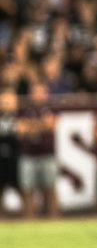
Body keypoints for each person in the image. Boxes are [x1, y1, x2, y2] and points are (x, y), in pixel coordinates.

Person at [19, 83, 59, 218]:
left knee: (50, 188)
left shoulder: (51, 108)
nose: (38, 95)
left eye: (41, 92)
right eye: (36, 92)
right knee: (28, 189)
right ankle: (30, 218)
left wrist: (32, 125)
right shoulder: (25, 109)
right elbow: (21, 129)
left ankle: (54, 217)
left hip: (47, 154)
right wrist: (41, 124)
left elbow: (51, 125)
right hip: (29, 154)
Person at [0, 90, 24, 215]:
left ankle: (29, 216)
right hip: (1, 157)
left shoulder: (21, 116)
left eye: (8, 102)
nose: (6, 105)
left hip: (16, 156)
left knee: (21, 186)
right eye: (3, 102)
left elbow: (22, 134)